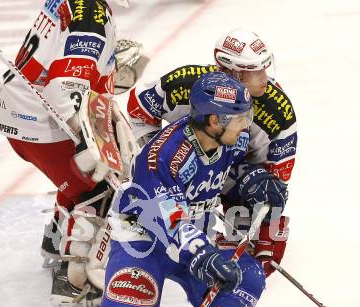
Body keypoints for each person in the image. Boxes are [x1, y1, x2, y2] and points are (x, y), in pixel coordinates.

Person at [12, 71, 287, 307]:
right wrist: (201, 253)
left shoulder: (229, 139)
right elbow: (170, 219)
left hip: (193, 239)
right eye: (240, 117)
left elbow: (223, 172)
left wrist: (252, 180)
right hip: (143, 242)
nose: (245, 125)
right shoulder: (163, 156)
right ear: (214, 119)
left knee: (245, 274)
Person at [0, 0, 146, 307]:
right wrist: (86, 139)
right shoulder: (91, 14)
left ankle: (54, 240)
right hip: (41, 124)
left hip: (21, 112)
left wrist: (104, 70)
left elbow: (60, 63)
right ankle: (72, 283)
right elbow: (62, 88)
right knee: (99, 188)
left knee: (76, 182)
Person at [127, 28, 296, 278]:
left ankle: (231, 256)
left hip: (231, 166)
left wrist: (255, 183)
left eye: (264, 68)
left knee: (261, 210)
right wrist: (156, 157)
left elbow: (277, 177)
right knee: (132, 191)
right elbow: (138, 110)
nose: (264, 78)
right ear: (230, 71)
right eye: (254, 71)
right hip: (177, 163)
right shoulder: (185, 82)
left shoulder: (277, 110)